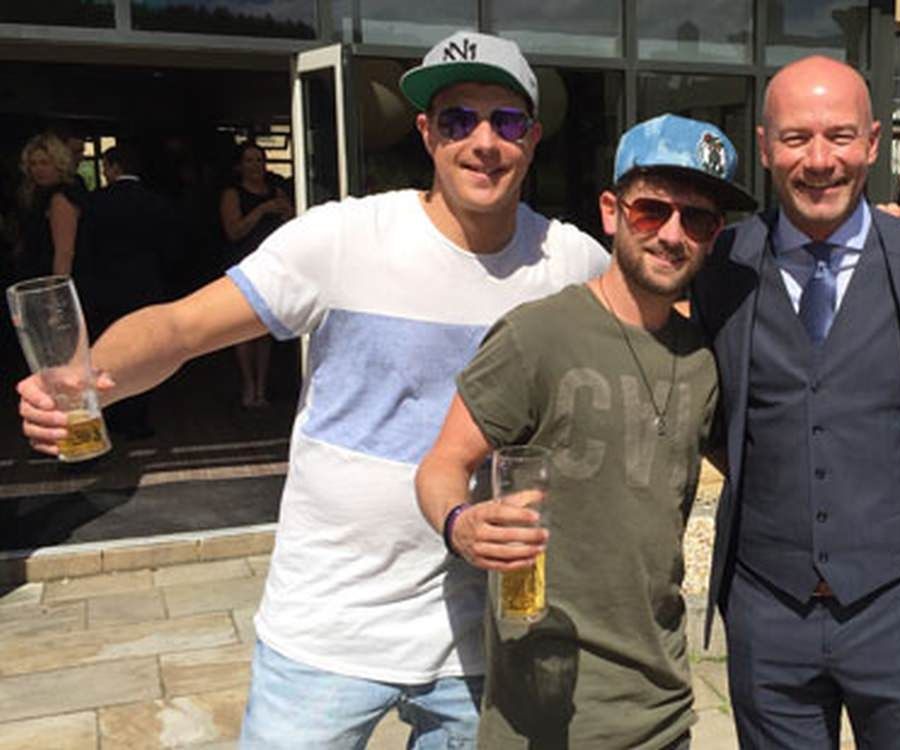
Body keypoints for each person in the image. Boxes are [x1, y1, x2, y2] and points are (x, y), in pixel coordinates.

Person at [17, 31, 609, 748]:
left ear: (533, 138)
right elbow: (179, 329)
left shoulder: (570, 262)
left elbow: (661, 334)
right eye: (458, 120)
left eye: (505, 121)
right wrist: (91, 383)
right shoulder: (343, 238)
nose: (483, 141)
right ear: (426, 133)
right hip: (325, 630)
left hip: (477, 641)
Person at [690, 55, 900, 747]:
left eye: (839, 136)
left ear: (872, 142)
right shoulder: (725, 262)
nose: (820, 161)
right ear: (766, 146)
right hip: (768, 608)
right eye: (797, 138)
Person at [417, 113, 755, 749]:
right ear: (612, 212)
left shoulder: (705, 359)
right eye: (652, 211)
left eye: (699, 220)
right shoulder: (536, 335)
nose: (673, 235)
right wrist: (460, 524)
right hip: (542, 714)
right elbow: (442, 463)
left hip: (662, 712)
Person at [72, 143, 177, 439]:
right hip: (145, 285)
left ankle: (110, 415)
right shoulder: (158, 203)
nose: (104, 173)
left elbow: (86, 249)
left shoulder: (95, 203)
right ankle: (138, 419)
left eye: (105, 167)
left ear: (114, 167)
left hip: (104, 288)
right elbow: (172, 249)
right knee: (145, 352)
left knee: (107, 349)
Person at [219, 141, 292, 408]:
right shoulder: (232, 194)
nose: (255, 167)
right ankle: (248, 385)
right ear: (240, 166)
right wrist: (261, 210)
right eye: (249, 161)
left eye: (259, 161)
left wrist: (285, 210)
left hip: (272, 265)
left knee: (265, 329)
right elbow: (233, 231)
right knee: (244, 329)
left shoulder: (277, 191)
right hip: (244, 263)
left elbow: (294, 223)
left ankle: (262, 388)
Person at [15, 132, 84, 278]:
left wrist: (56, 290)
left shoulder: (60, 197)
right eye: (33, 163)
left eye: (45, 163)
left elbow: (64, 252)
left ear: (58, 164)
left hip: (49, 278)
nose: (38, 169)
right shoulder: (37, 195)